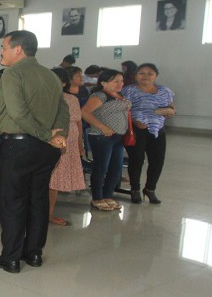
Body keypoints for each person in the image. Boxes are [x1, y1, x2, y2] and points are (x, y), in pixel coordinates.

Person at [0, 30, 69, 274]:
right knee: (38, 200)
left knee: (12, 202)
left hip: (19, 146)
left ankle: (10, 258)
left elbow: (18, 113)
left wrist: (46, 134)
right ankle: (33, 253)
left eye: (3, 47)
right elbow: (63, 110)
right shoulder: (50, 75)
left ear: (17, 49)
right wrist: (58, 135)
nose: (1, 51)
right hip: (46, 150)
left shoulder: (12, 74)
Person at [122, 63, 175, 204]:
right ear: (136, 75)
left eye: (150, 73)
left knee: (157, 161)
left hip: (157, 131)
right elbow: (123, 111)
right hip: (136, 130)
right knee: (136, 160)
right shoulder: (128, 91)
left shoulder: (164, 91)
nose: (145, 76)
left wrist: (169, 112)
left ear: (155, 76)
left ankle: (150, 189)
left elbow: (171, 107)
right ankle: (135, 190)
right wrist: (134, 121)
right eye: (142, 73)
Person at [81, 69, 130, 211]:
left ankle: (108, 196)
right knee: (101, 168)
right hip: (102, 137)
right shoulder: (100, 96)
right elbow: (84, 112)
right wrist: (103, 127)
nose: (120, 84)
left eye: (121, 81)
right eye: (116, 81)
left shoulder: (120, 96)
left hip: (118, 137)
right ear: (104, 83)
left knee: (116, 168)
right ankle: (97, 198)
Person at [48, 68, 86, 225]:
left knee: (54, 179)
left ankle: (48, 213)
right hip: (48, 136)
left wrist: (79, 146)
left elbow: (78, 122)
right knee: (47, 177)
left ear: (64, 83)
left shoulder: (71, 99)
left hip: (67, 139)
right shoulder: (41, 98)